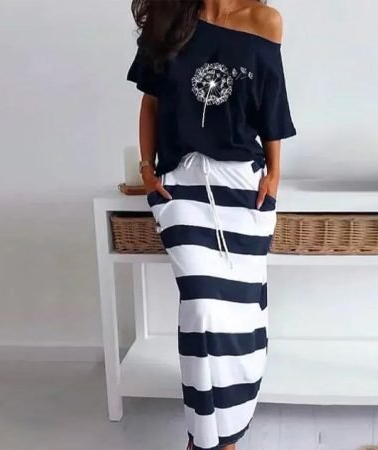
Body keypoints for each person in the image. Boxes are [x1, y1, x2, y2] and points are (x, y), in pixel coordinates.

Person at [127, 0, 296, 448]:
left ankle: (229, 434)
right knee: (201, 309)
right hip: (182, 182)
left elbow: (272, 103)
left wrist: (274, 175)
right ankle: (204, 437)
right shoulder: (170, 17)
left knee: (241, 316)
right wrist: (147, 168)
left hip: (242, 184)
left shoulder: (264, 21)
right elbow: (150, 103)